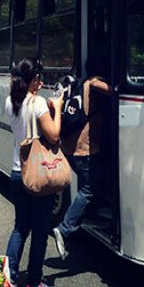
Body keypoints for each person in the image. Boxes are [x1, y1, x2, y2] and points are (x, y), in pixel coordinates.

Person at [5, 58, 63, 287]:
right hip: (37, 176)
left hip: (17, 172)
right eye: (38, 78)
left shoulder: (11, 102)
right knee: (40, 231)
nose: (41, 82)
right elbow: (54, 134)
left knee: (20, 227)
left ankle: (10, 280)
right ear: (31, 80)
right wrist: (57, 109)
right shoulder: (38, 102)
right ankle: (35, 284)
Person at [53, 60, 112, 260]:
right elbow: (108, 89)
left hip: (70, 147)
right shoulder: (93, 84)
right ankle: (65, 228)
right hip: (84, 149)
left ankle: (92, 216)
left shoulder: (77, 84)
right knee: (89, 188)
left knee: (95, 182)